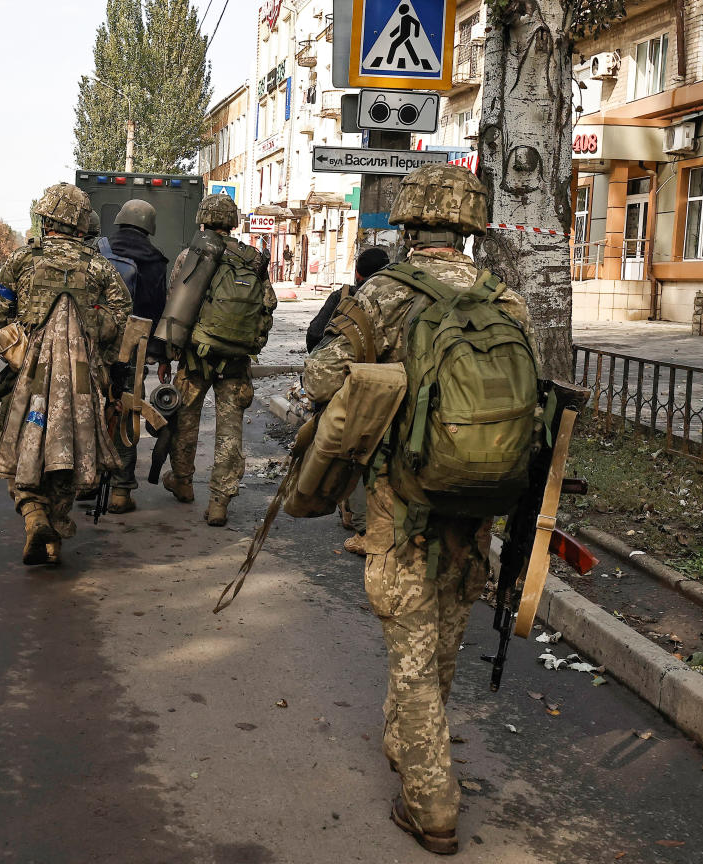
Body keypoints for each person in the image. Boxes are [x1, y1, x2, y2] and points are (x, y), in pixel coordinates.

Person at [304, 164, 531, 855]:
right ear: (469, 224)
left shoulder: (384, 294)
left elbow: (321, 377)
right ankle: (406, 742)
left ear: (407, 223)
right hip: (479, 504)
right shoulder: (507, 299)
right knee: (442, 640)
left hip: (403, 506)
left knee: (409, 646)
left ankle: (432, 802)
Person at [0, 182, 131, 565]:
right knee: (70, 450)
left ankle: (33, 515)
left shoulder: (23, 261)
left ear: (46, 220)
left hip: (24, 376)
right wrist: (98, 345)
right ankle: (55, 534)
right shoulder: (98, 266)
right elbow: (123, 320)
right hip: (81, 382)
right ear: (80, 224)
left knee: (14, 443)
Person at [163, 193, 276, 526]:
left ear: (202, 219)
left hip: (196, 356)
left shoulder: (191, 254)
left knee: (186, 421)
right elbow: (267, 303)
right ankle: (219, 502)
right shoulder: (253, 258)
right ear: (233, 223)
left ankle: (183, 483)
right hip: (236, 360)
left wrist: (172, 354)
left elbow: (175, 303)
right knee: (229, 432)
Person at [305, 246, 391, 556]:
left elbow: (314, 336)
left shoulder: (344, 296)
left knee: (351, 453)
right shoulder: (394, 301)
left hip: (346, 388)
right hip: (386, 391)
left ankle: (360, 524)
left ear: (357, 274)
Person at [101, 199, 170, 514]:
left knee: (92, 411)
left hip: (97, 347)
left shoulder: (100, 249)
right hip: (134, 351)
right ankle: (120, 491)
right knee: (126, 413)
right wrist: (161, 355)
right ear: (149, 226)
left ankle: (87, 482)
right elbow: (158, 310)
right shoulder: (155, 260)